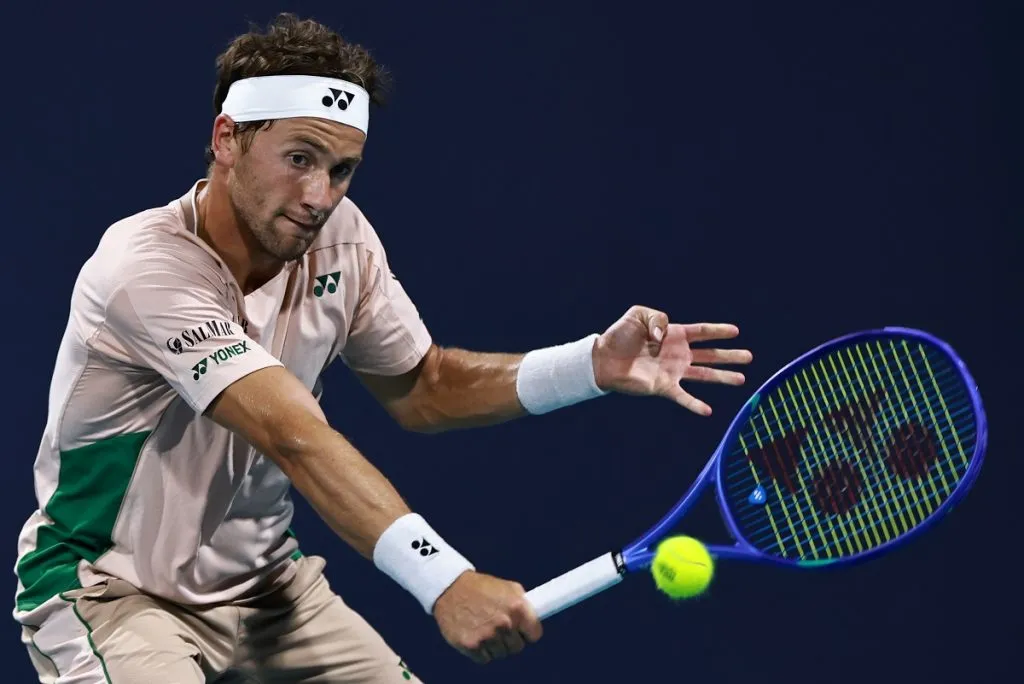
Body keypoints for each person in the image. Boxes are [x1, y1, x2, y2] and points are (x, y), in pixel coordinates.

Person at [12, 13, 753, 684]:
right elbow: (294, 435)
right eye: (299, 157)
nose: (319, 195)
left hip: (270, 590)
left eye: (342, 170)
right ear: (226, 139)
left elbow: (424, 387)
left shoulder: (341, 238)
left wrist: (590, 364)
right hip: (112, 589)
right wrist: (445, 579)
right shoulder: (145, 267)